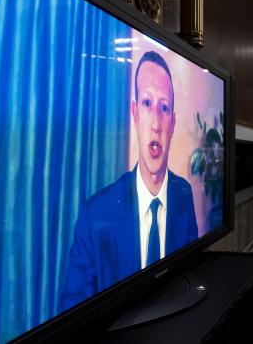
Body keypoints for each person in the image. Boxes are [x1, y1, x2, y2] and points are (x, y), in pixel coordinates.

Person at [60, 51, 198, 311]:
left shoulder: (183, 193)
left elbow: (193, 271)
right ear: (135, 114)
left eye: (164, 107)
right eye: (147, 103)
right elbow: (72, 310)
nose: (156, 122)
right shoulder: (95, 215)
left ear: (172, 123)